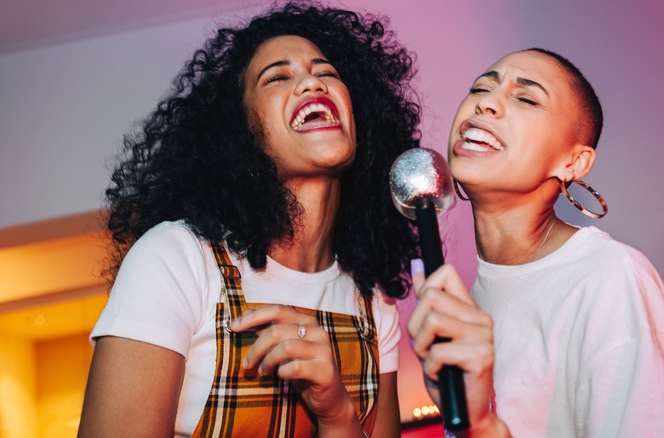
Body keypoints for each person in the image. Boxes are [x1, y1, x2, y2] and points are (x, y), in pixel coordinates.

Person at [78, 2, 421, 436]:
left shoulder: (373, 304)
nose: (311, 82)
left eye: (327, 73)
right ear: (241, 132)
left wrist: (337, 414)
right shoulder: (177, 258)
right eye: (278, 76)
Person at [407, 48, 664, 437]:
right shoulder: (469, 303)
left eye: (526, 98)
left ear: (574, 163)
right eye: (480, 89)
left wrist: (481, 426)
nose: (487, 104)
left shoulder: (608, 278)